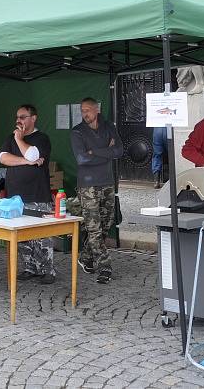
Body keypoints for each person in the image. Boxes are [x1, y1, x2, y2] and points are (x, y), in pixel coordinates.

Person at [0, 104, 55, 284]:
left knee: (41, 235)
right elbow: (3, 158)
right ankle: (30, 267)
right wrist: (25, 161)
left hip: (37, 195)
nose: (18, 120)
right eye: (17, 117)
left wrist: (19, 139)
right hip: (15, 197)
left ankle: (48, 270)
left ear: (33, 118)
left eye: (22, 117)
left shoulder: (42, 138)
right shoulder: (10, 138)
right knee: (22, 236)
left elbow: (33, 156)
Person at [70, 98, 123, 284]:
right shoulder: (77, 131)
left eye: (88, 110)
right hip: (87, 185)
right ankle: (104, 266)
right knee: (93, 228)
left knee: (106, 224)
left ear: (97, 109)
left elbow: (119, 151)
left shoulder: (108, 126)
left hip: (107, 182)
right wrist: (105, 152)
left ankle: (85, 257)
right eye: (82, 110)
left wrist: (95, 152)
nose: (85, 114)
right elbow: (82, 159)